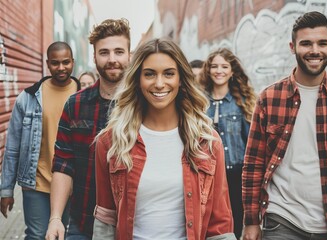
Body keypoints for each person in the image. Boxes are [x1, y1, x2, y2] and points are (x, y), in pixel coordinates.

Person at [92, 38, 236, 240]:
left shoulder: (207, 142)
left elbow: (220, 222)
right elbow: (106, 218)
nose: (159, 84)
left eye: (168, 73)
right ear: (138, 79)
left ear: (180, 79)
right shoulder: (111, 141)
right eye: (149, 74)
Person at [242, 11, 327, 240]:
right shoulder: (269, 98)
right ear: (292, 47)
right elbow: (254, 164)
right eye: (306, 43)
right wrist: (251, 221)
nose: (315, 50)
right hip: (281, 218)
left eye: (322, 43)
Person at [45, 18, 131, 240]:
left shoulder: (143, 105)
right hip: (83, 224)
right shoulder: (76, 104)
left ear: (130, 55)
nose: (112, 59)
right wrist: (55, 218)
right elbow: (64, 164)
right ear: (94, 57)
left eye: (119, 51)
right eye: (104, 52)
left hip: (134, 226)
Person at [0, 41, 80, 239]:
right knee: (37, 235)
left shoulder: (84, 96)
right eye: (55, 63)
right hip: (36, 182)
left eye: (65, 62)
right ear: (47, 63)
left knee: (69, 235)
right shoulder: (28, 98)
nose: (61, 68)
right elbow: (12, 147)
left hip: (74, 184)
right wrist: (6, 190)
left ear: (73, 62)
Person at [202, 48, 256, 239]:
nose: (219, 70)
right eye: (214, 66)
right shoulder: (199, 101)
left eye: (224, 66)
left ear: (232, 72)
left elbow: (251, 142)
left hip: (236, 174)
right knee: (209, 224)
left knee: (233, 224)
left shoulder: (242, 102)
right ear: (208, 70)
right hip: (207, 174)